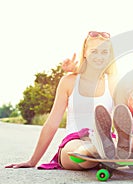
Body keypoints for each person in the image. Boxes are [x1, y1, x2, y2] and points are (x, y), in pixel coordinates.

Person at [5, 31, 118, 170]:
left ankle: (105, 148)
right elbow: (52, 123)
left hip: (107, 139)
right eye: (94, 51)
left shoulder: (113, 83)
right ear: (85, 52)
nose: (99, 56)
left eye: (104, 52)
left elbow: (125, 115)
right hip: (75, 140)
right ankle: (98, 150)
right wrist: (32, 161)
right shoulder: (68, 82)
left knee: (126, 146)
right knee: (80, 152)